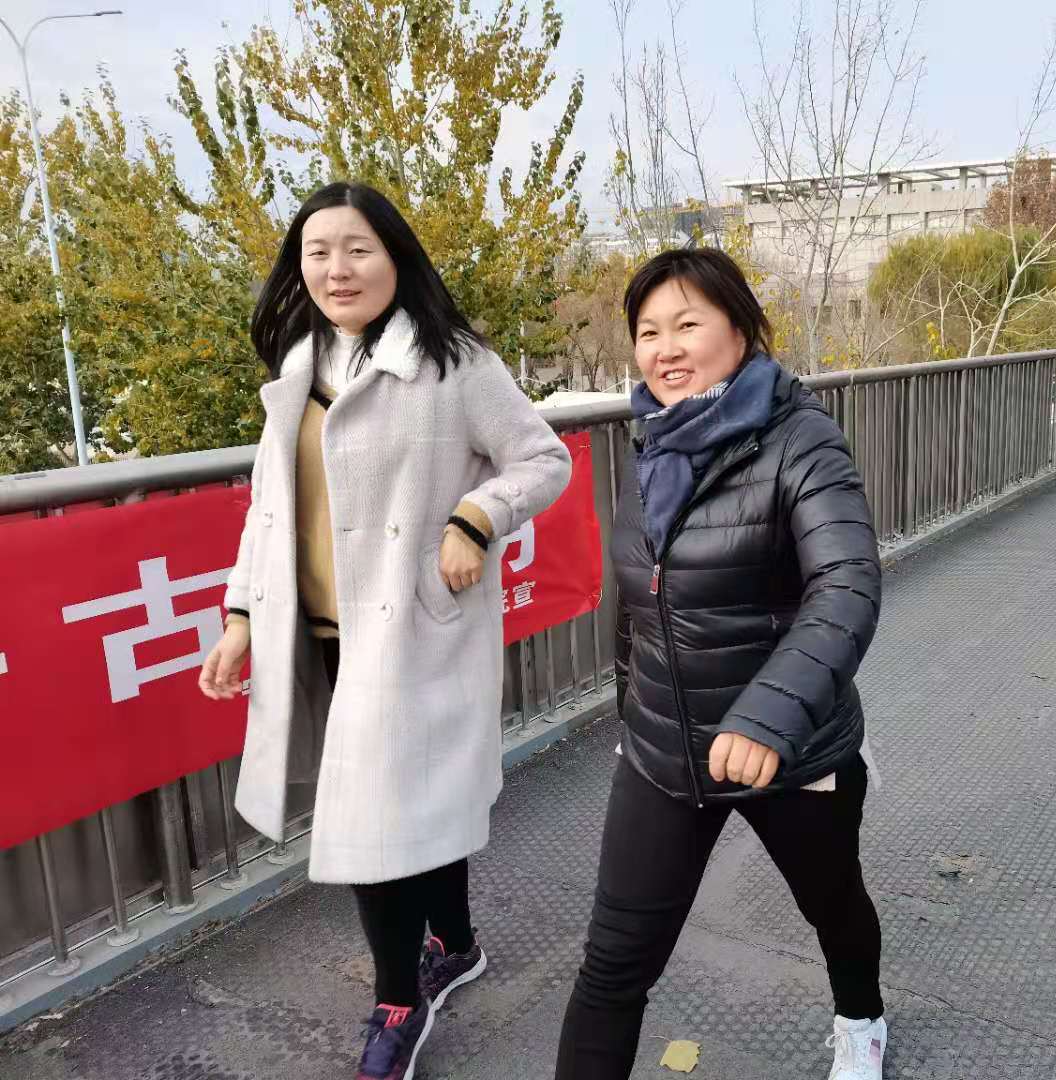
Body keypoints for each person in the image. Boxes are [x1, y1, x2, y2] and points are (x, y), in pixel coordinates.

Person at [197, 181, 572, 1080]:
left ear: (396, 256)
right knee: (416, 805)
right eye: (318, 251)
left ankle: (399, 1000)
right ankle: (458, 944)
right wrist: (242, 614)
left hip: (412, 632)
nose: (338, 268)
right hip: (320, 636)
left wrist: (475, 517)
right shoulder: (298, 366)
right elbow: (269, 509)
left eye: (358, 248)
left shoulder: (455, 363)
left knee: (372, 821)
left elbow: (543, 458)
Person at [553, 249, 886, 1080]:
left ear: (740, 329)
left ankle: (861, 1019)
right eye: (648, 331)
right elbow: (644, 599)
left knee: (833, 906)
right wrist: (633, 713)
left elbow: (846, 581)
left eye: (687, 324)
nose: (665, 349)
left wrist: (769, 716)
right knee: (613, 964)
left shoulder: (801, 440)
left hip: (788, 749)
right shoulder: (652, 441)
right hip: (664, 752)